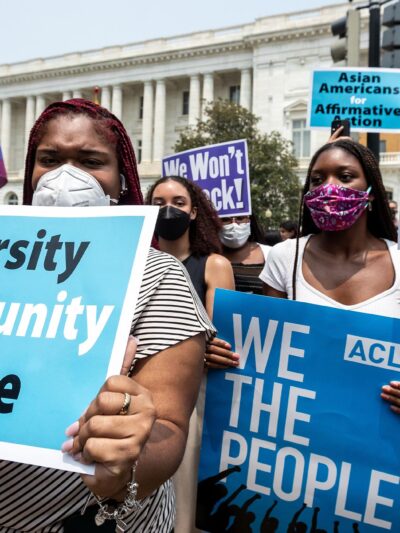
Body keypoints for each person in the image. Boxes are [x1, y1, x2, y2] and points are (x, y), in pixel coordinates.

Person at [2, 98, 214, 533]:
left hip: (87, 519)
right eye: (50, 159)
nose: (66, 176)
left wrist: (122, 466)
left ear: (121, 181)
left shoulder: (158, 276)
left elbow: (170, 428)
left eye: (91, 161)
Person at [260, 138, 400, 413]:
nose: (328, 187)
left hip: (378, 432)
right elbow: (266, 352)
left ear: (371, 191)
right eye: (317, 179)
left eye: (345, 176)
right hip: (298, 425)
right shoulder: (285, 257)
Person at [146, 176, 236, 532]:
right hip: (136, 387)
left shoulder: (212, 264)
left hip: (188, 394)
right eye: (158, 202)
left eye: (179, 202)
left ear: (194, 212)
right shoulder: (136, 262)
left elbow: (217, 338)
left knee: (180, 485)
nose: (169, 210)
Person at [220, 214, 270, 294]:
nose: (234, 225)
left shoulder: (270, 254)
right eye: (225, 219)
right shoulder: (205, 257)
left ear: (249, 220)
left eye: (240, 218)